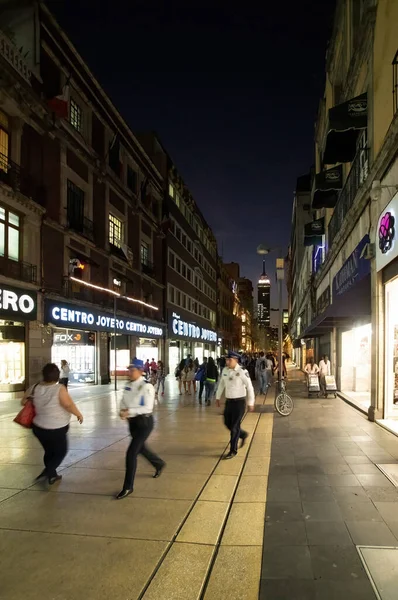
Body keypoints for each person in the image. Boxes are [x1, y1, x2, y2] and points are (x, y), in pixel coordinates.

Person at [21, 363, 83, 485]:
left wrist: (34, 399)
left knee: (49, 451)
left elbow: (23, 401)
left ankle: (52, 475)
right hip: (57, 428)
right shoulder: (59, 388)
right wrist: (78, 414)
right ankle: (48, 471)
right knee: (61, 451)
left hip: (38, 428)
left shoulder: (34, 387)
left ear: (43, 375)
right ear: (57, 376)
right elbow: (68, 405)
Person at [116, 358, 165, 500]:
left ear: (140, 371)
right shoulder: (128, 385)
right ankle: (159, 463)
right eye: (129, 369)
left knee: (131, 453)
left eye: (133, 370)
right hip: (132, 423)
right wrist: (121, 410)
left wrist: (129, 411)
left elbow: (147, 407)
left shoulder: (146, 386)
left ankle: (128, 486)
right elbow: (123, 400)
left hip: (144, 423)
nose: (129, 372)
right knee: (141, 448)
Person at [216, 351, 255, 459]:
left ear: (236, 360)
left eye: (229, 360)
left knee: (234, 427)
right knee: (227, 423)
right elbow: (222, 384)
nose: (227, 362)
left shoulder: (242, 371)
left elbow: (250, 387)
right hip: (229, 402)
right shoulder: (225, 370)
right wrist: (217, 397)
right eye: (226, 360)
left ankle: (233, 450)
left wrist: (250, 403)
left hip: (239, 403)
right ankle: (243, 434)